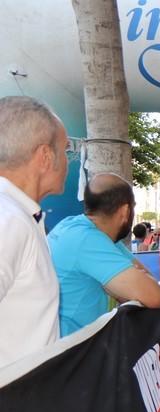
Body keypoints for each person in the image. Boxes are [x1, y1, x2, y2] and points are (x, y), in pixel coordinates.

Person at [48, 173, 160, 336]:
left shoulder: (75, 227)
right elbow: (153, 296)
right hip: (72, 353)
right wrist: (122, 287)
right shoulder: (87, 239)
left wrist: (117, 287)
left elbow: (146, 283)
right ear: (125, 211)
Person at [0, 96, 68, 368]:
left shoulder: (19, 215)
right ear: (45, 156)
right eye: (66, 151)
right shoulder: (9, 220)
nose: (68, 161)